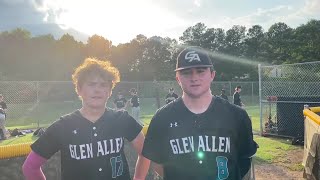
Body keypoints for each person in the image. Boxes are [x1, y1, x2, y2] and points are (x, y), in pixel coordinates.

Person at [22, 58, 150, 180]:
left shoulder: (122, 119)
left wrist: (138, 178)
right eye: (91, 84)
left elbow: (145, 152)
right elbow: (30, 167)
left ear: (110, 91)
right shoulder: (63, 126)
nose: (97, 89)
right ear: (79, 89)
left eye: (103, 85)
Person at [142, 46, 257, 180]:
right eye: (186, 72)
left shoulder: (237, 116)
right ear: (178, 78)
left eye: (200, 71)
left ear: (212, 75)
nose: (194, 78)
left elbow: (245, 160)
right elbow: (157, 163)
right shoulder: (162, 117)